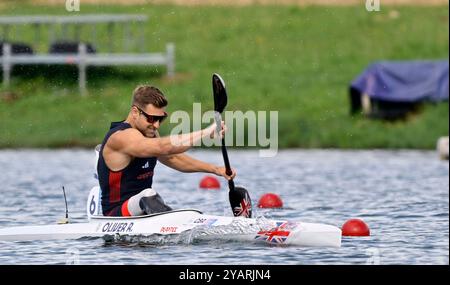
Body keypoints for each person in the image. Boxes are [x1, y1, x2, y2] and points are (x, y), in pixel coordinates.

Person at [97, 85, 235, 216]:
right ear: (135, 112)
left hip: (143, 211)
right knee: (148, 195)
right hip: (116, 214)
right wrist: (205, 132)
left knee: (149, 196)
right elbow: (162, 147)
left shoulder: (147, 133)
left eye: (161, 119)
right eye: (151, 118)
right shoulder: (122, 136)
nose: (156, 125)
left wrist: (216, 169)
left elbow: (173, 158)